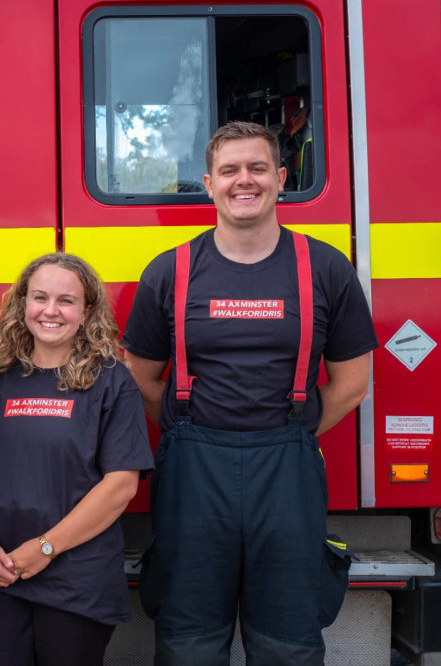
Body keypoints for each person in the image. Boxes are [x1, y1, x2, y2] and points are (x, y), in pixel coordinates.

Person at [121, 121, 377, 664]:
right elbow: (139, 377)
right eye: (230, 170)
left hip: (287, 472)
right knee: (189, 645)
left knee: (288, 644)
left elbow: (353, 383)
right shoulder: (170, 271)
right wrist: (191, 425)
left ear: (281, 179)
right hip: (193, 472)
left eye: (258, 168)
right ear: (209, 184)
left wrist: (287, 431)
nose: (245, 180)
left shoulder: (327, 268)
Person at [0, 253, 154, 666]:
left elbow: (120, 486)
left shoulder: (112, 379)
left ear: (86, 312)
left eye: (66, 301)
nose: (50, 311)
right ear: (22, 304)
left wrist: (44, 548)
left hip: (77, 581)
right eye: (40, 297)